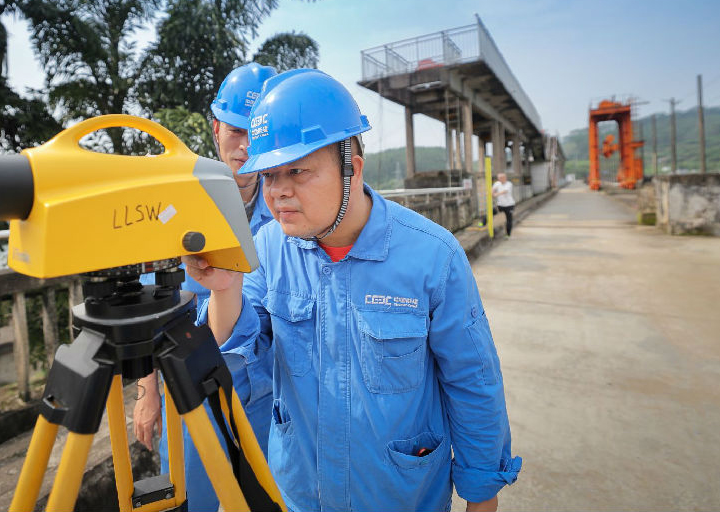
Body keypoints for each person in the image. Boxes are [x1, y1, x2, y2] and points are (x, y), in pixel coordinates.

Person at [184, 69, 521, 512]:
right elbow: (241, 355)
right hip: (301, 494)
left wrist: (481, 497)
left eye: (297, 171)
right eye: (268, 176)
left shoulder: (431, 257)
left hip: (398, 496)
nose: (278, 192)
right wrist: (227, 289)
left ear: (352, 169)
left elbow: (472, 383)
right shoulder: (268, 247)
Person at [132, 62, 276, 512]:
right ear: (215, 128)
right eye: (235, 130)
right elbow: (147, 306)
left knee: (270, 498)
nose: (246, 145)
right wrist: (147, 392)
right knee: (200, 496)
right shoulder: (176, 203)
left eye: (258, 131)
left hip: (272, 392)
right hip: (193, 386)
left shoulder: (293, 206)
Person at [492, 172, 516, 237]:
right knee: (491, 212)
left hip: (509, 205)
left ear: (505, 178)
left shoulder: (509, 184)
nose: (499, 179)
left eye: (501, 177)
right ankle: (483, 223)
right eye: (498, 178)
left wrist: (496, 194)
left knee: (509, 220)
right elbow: (493, 190)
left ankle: (508, 234)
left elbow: (505, 191)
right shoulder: (497, 183)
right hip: (500, 205)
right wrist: (492, 193)